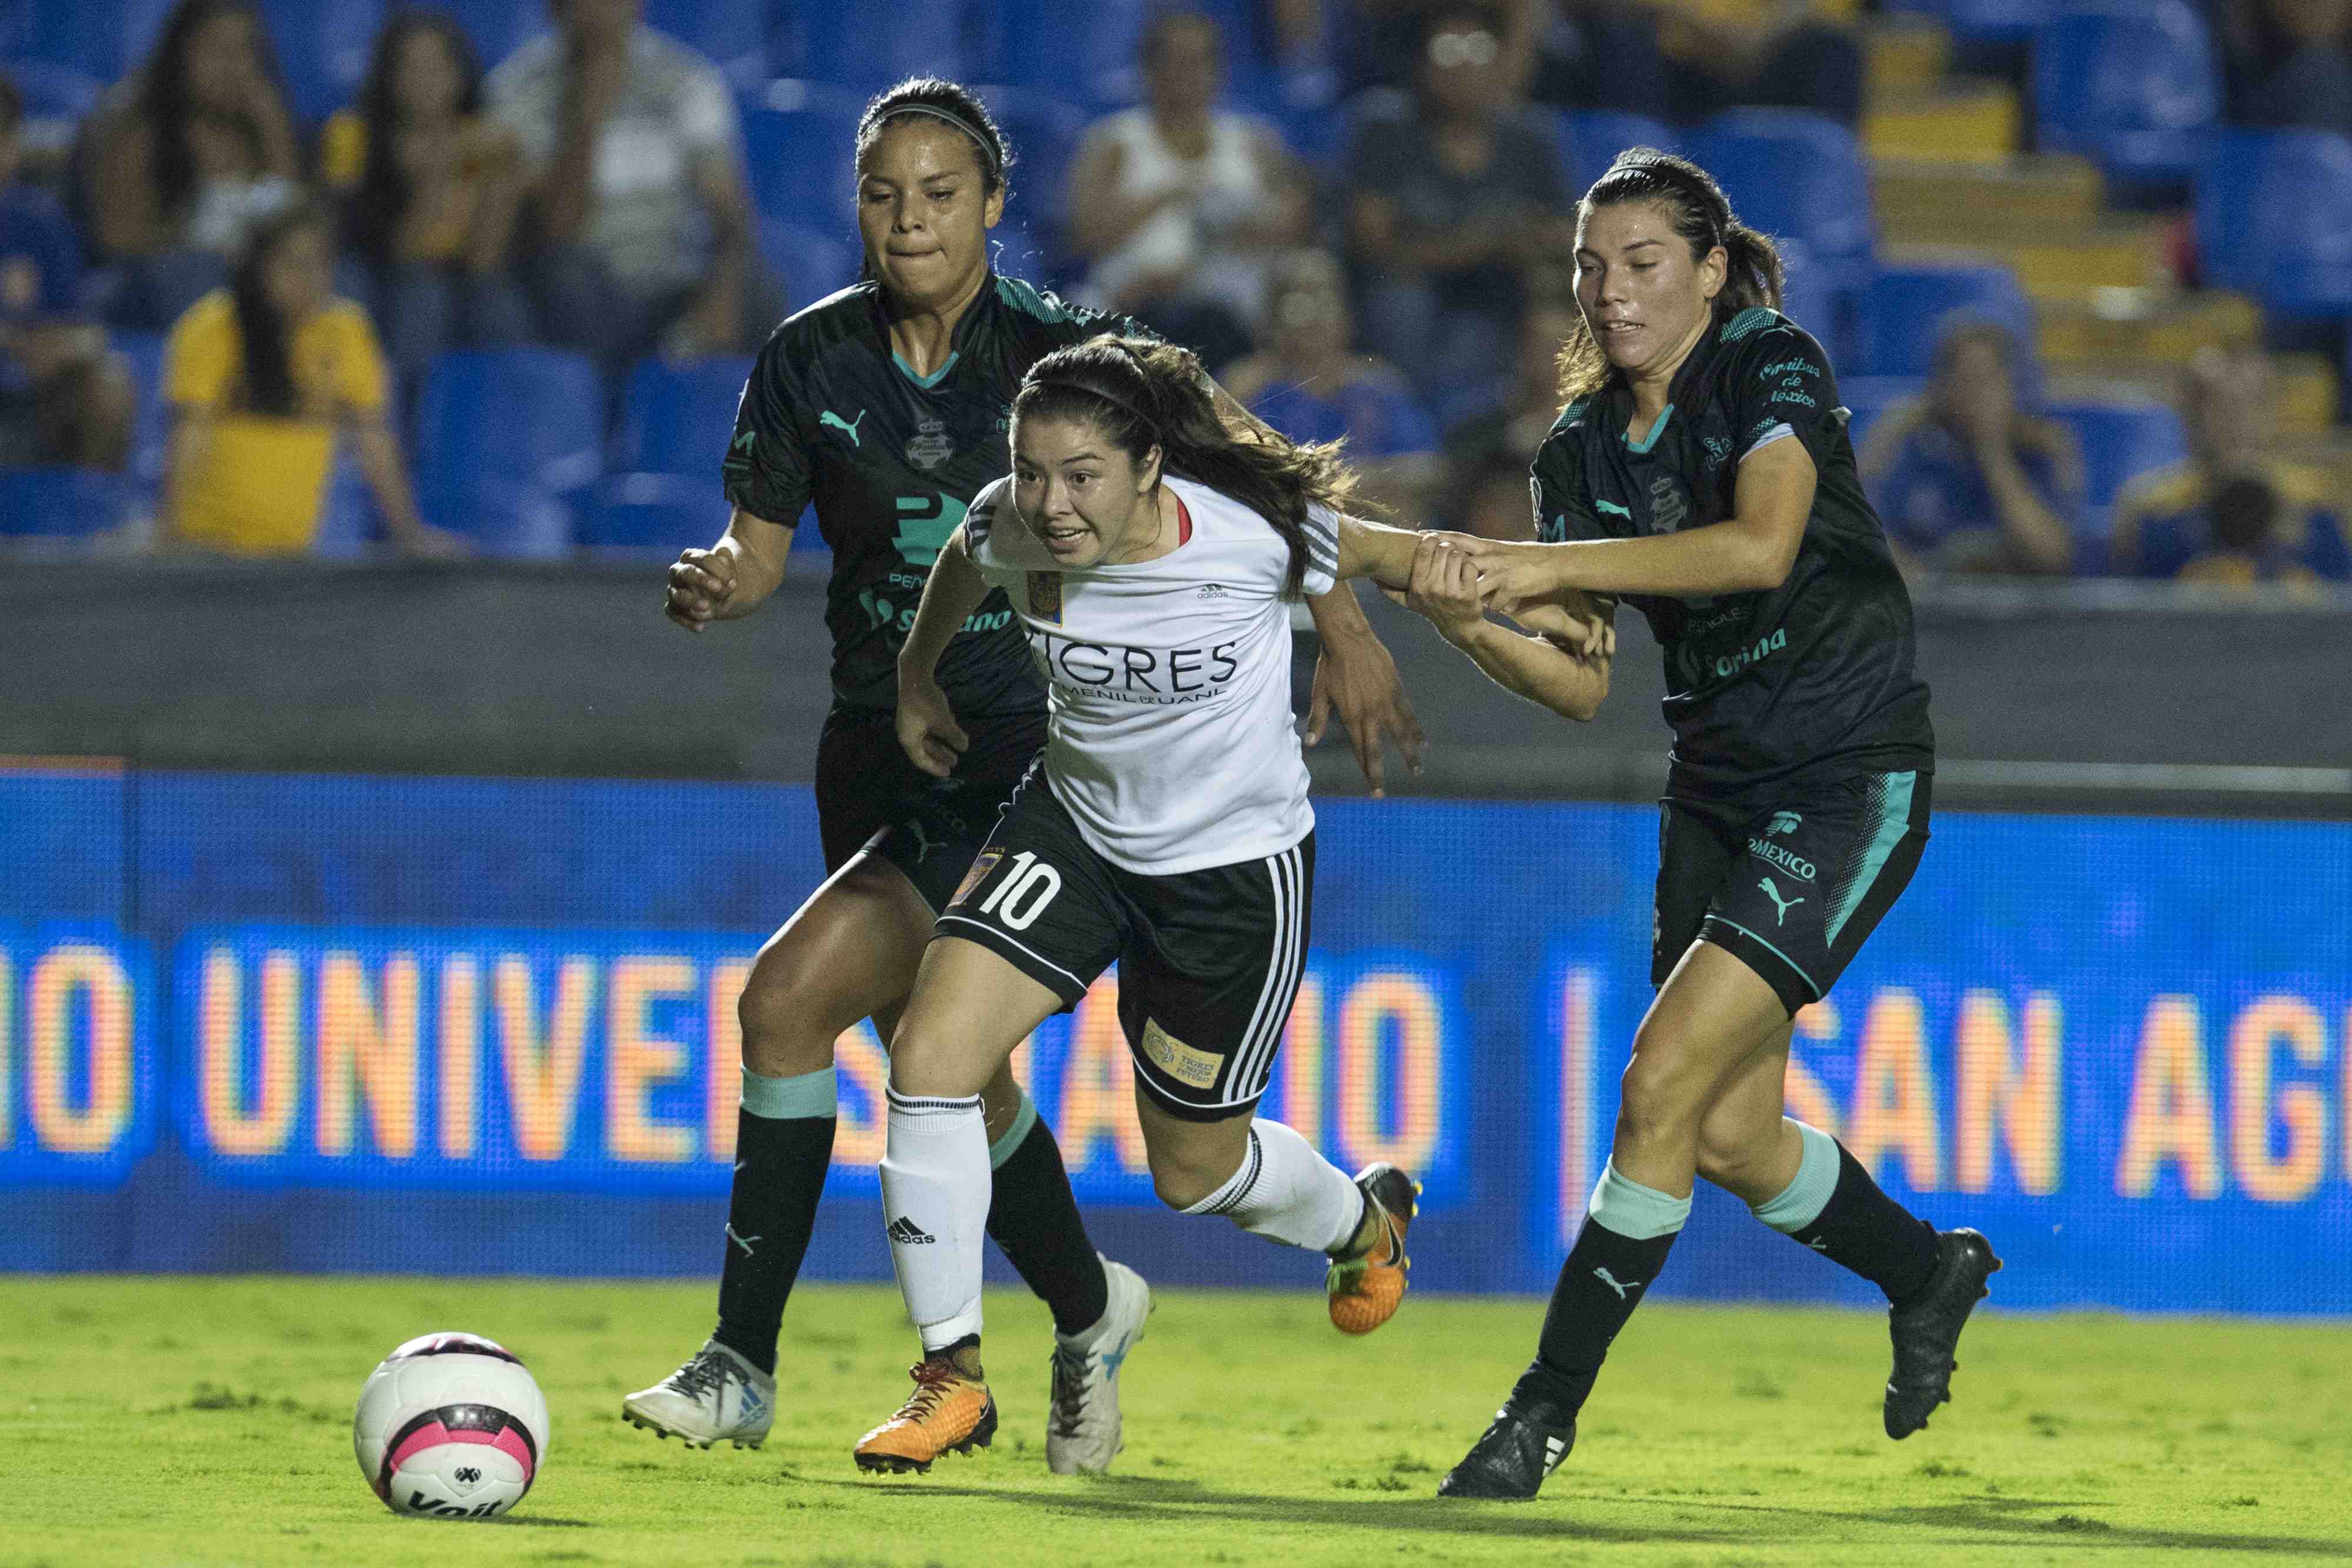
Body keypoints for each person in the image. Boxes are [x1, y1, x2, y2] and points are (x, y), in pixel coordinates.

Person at [630, 79, 1424, 1475]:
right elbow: (771, 553)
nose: (910, 220)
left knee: (796, 1006)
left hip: (1029, 763)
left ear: (994, 205)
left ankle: (759, 1364)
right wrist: (721, 584)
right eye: (884, 195)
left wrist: (1342, 629)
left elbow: (1265, 486)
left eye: (939, 194)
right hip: (884, 746)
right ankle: (1086, 1306)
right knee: (953, 1078)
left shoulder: (1078, 358)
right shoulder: (810, 359)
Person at [1418, 150, 1999, 1500]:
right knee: (1732, 1137)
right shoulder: (1573, 453)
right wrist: (1465, 620)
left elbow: (1758, 548)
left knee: (1656, 1085)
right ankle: (1927, 1270)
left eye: (1641, 264)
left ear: (1709, 272)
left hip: (1847, 772)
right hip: (1714, 791)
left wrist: (1538, 561)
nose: (1610, 292)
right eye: (1590, 267)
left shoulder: (1766, 363)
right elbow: (1574, 681)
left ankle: (1536, 1420)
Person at [856, 333, 1522, 1474]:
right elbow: (963, 562)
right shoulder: (1006, 523)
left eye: (1081, 477)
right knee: (926, 1054)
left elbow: (1372, 545)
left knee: (1191, 1173)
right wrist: (917, 673)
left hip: (1227, 874)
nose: (1051, 504)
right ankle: (950, 1376)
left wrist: (1365, 629)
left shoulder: (1246, 531)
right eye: (1032, 471)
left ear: (1151, 468)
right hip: (1073, 829)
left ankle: (1363, 1221)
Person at [488, 0, 768, 376]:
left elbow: (729, 215)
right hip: (585, 284)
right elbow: (556, 229)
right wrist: (586, 115)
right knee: (563, 275)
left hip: (675, 281)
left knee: (760, 291)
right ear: (554, 8)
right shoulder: (518, 90)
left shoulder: (684, 79)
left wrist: (723, 290)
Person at [161, 199, 456, 556]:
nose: (310, 278)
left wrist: (409, 535)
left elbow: (374, 441)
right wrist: (168, 534)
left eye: (321, 263)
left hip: (292, 558)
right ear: (257, 267)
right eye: (294, 263)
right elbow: (190, 436)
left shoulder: (347, 330)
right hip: (206, 550)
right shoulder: (212, 326)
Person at [1342, 4, 1573, 397]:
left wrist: (1528, 241)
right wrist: (1477, 244)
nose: (1465, 66)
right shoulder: (1384, 131)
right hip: (1410, 295)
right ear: (1421, 65)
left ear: (1501, 62)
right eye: (1448, 50)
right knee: (1404, 303)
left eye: (1479, 50)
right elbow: (1372, 244)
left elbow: (1568, 233)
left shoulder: (1531, 139)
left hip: (1502, 292)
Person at [1065, 9, 1311, 369]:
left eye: (1202, 61)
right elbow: (1084, 236)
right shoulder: (1114, 143)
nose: (1191, 75)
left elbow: (1296, 227)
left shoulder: (1255, 142)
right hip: (1139, 306)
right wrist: (1171, 196)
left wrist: (1238, 230)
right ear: (1148, 69)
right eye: (1177, 62)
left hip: (1237, 317)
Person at [322, 10, 532, 402]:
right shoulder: (354, 137)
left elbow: (485, 259)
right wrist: (440, 168)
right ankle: (402, 418)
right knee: (422, 296)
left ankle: (502, 423)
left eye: (437, 67)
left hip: (466, 273)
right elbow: (402, 248)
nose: (425, 82)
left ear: (460, 74)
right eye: (409, 68)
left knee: (501, 307)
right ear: (387, 77)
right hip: (384, 271)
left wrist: (500, 182)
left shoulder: (487, 144)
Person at [75, 0, 303, 332]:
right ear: (180, 56)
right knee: (197, 273)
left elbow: (292, 222)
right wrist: (200, 238)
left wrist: (273, 128)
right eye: (216, 50)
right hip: (156, 288)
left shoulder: (261, 131)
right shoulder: (141, 132)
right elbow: (117, 242)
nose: (233, 67)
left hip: (245, 284)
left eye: (244, 52)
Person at [1220, 249, 1440, 520]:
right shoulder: (1244, 387)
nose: (1312, 314)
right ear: (1272, 320)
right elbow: (1225, 473)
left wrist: (1350, 482)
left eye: (1323, 299)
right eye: (1297, 301)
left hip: (1369, 523)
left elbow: (1426, 468)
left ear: (1346, 315)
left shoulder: (1378, 384)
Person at [1857, 319, 2083, 576]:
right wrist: (1888, 434)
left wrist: (1993, 453)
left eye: (1989, 381)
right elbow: (1865, 534)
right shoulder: (1916, 450)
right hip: (1931, 607)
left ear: (2013, 388)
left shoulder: (2043, 451)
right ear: (1943, 389)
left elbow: (2052, 558)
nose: (1978, 396)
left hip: (2022, 609)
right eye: (1966, 381)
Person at [2110, 342, 2349, 585]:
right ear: (2191, 418)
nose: (2240, 424)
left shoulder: (2320, 506)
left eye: (2254, 406)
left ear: (2274, 414)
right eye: (2221, 407)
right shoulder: (2151, 509)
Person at [0, 73, 134, 472]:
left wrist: (66, 348)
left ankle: (88, 517)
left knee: (108, 385)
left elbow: (81, 330)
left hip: (29, 388)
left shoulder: (39, 223)